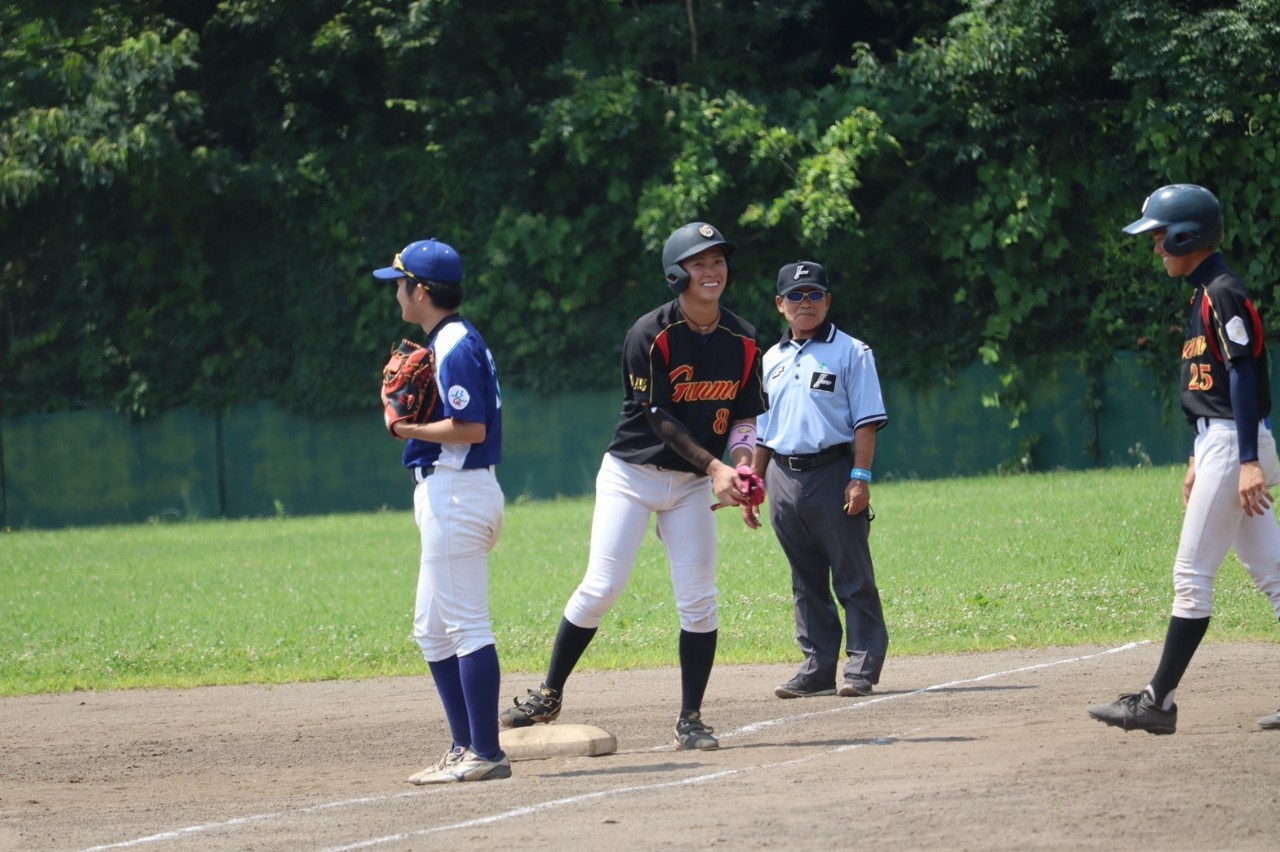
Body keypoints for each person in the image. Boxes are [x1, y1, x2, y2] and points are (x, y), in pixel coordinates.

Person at [499, 222, 766, 749]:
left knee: (699, 601)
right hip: (631, 474)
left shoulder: (745, 339)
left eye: (717, 261)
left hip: (691, 485)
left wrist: (740, 465)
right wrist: (716, 469)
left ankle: (690, 718)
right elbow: (660, 418)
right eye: (698, 262)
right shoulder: (650, 333)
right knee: (602, 587)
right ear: (676, 273)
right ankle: (550, 692)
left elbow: (744, 418)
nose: (711, 271)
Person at [1087, 184, 1280, 734]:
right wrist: (1201, 452)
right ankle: (1157, 699)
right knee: (1274, 573)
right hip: (1222, 441)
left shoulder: (1221, 291)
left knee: (1192, 577)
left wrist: (1243, 460)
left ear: (1186, 235)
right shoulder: (1204, 293)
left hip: (1235, 442)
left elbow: (1243, 373)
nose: (1156, 248)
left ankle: (1157, 702)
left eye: (1159, 237)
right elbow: (1217, 382)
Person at [371, 238, 511, 782]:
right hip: (449, 492)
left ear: (421, 290)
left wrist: (404, 427)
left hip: (457, 491)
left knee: (467, 627)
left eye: (401, 283)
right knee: (431, 630)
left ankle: (486, 752)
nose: (397, 292)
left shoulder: (453, 344)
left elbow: (470, 429)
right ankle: (464, 745)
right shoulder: (452, 340)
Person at [745, 261, 889, 699]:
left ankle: (861, 668)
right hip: (784, 479)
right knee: (804, 580)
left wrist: (860, 477)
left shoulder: (852, 352)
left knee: (852, 574)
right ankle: (817, 667)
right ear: (780, 305)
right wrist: (754, 482)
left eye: (813, 295)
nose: (804, 303)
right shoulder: (770, 359)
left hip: (833, 473)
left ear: (827, 301)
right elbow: (765, 432)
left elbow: (865, 422)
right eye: (795, 295)